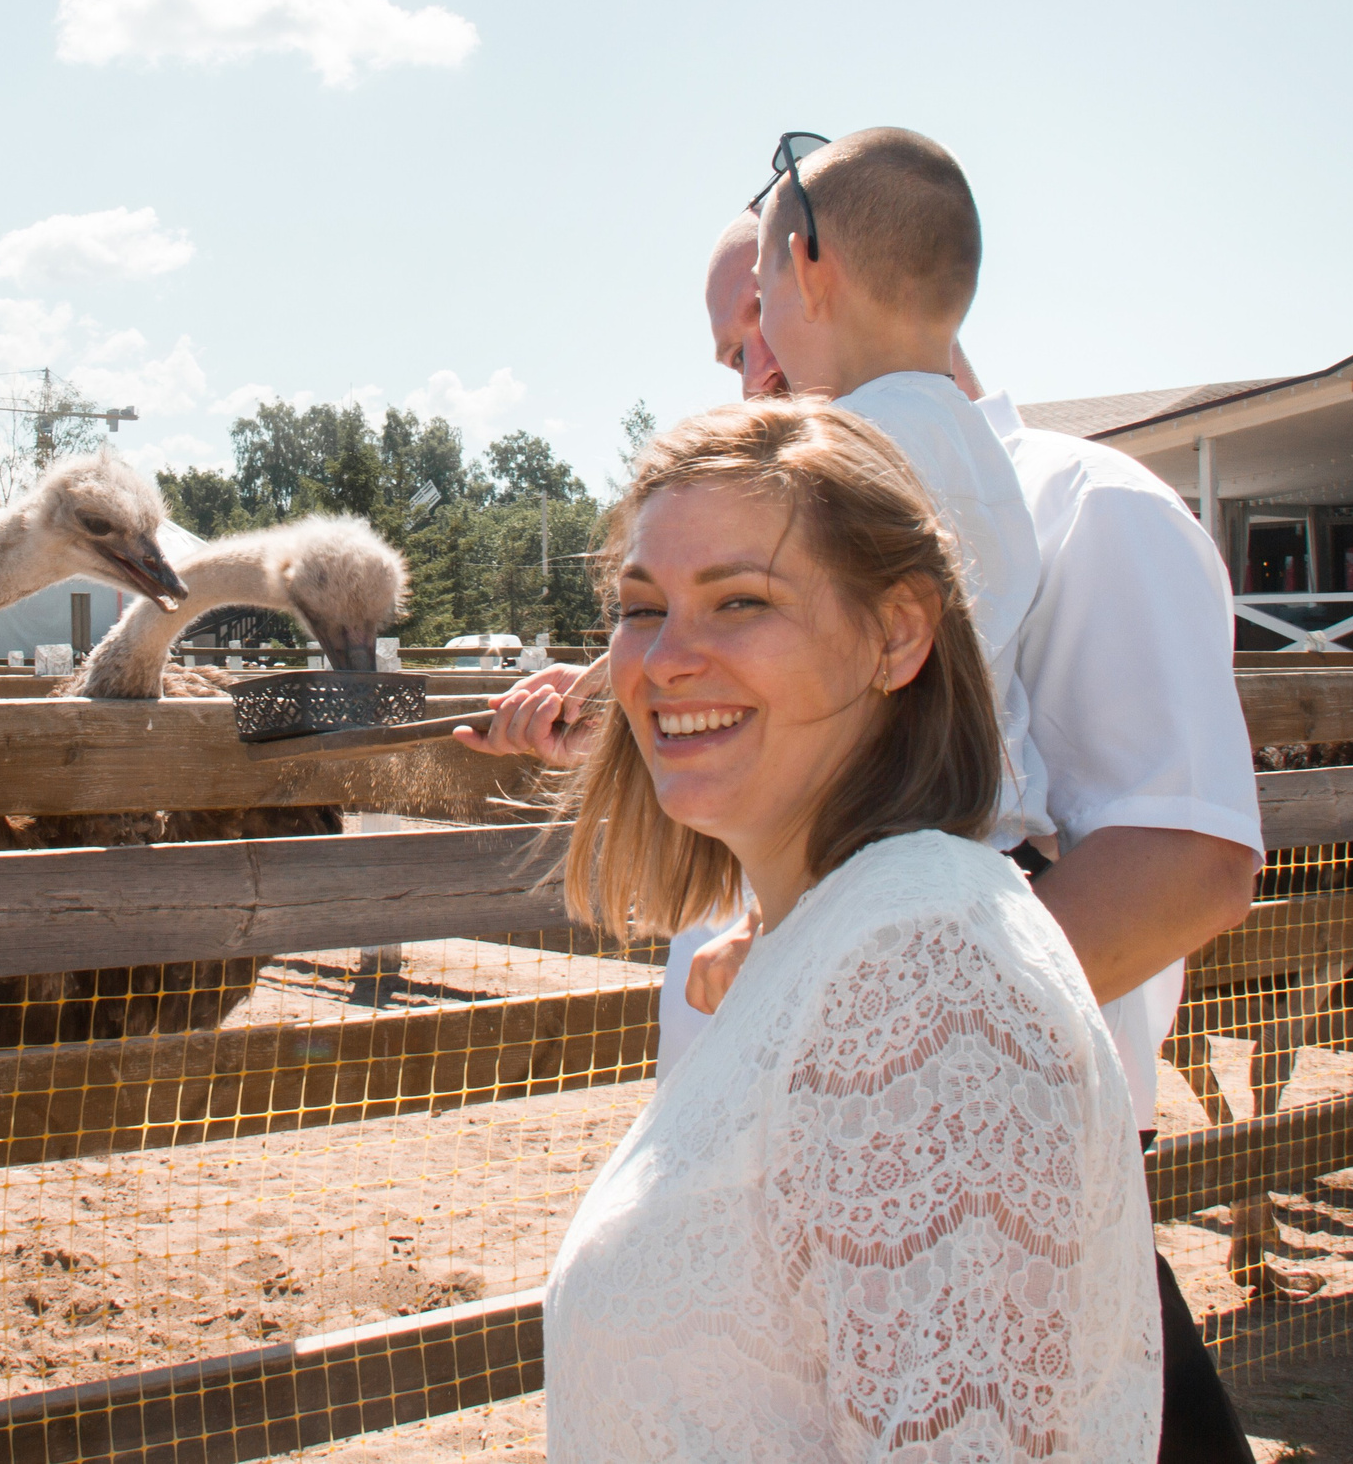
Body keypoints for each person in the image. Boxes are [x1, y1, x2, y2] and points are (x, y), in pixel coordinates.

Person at [466, 130, 1265, 1463]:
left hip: (964, 1156)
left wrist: (861, 1015)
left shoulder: (1089, 508)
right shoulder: (883, 500)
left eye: (753, 333)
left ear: (815, 278)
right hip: (791, 1171)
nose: (748, 381)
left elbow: (1188, 857)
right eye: (730, 360)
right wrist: (630, 712)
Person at [542, 398, 1160, 1462]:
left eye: (739, 601)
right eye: (642, 608)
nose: (665, 659)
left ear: (897, 633)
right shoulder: (836, 941)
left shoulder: (926, 974)